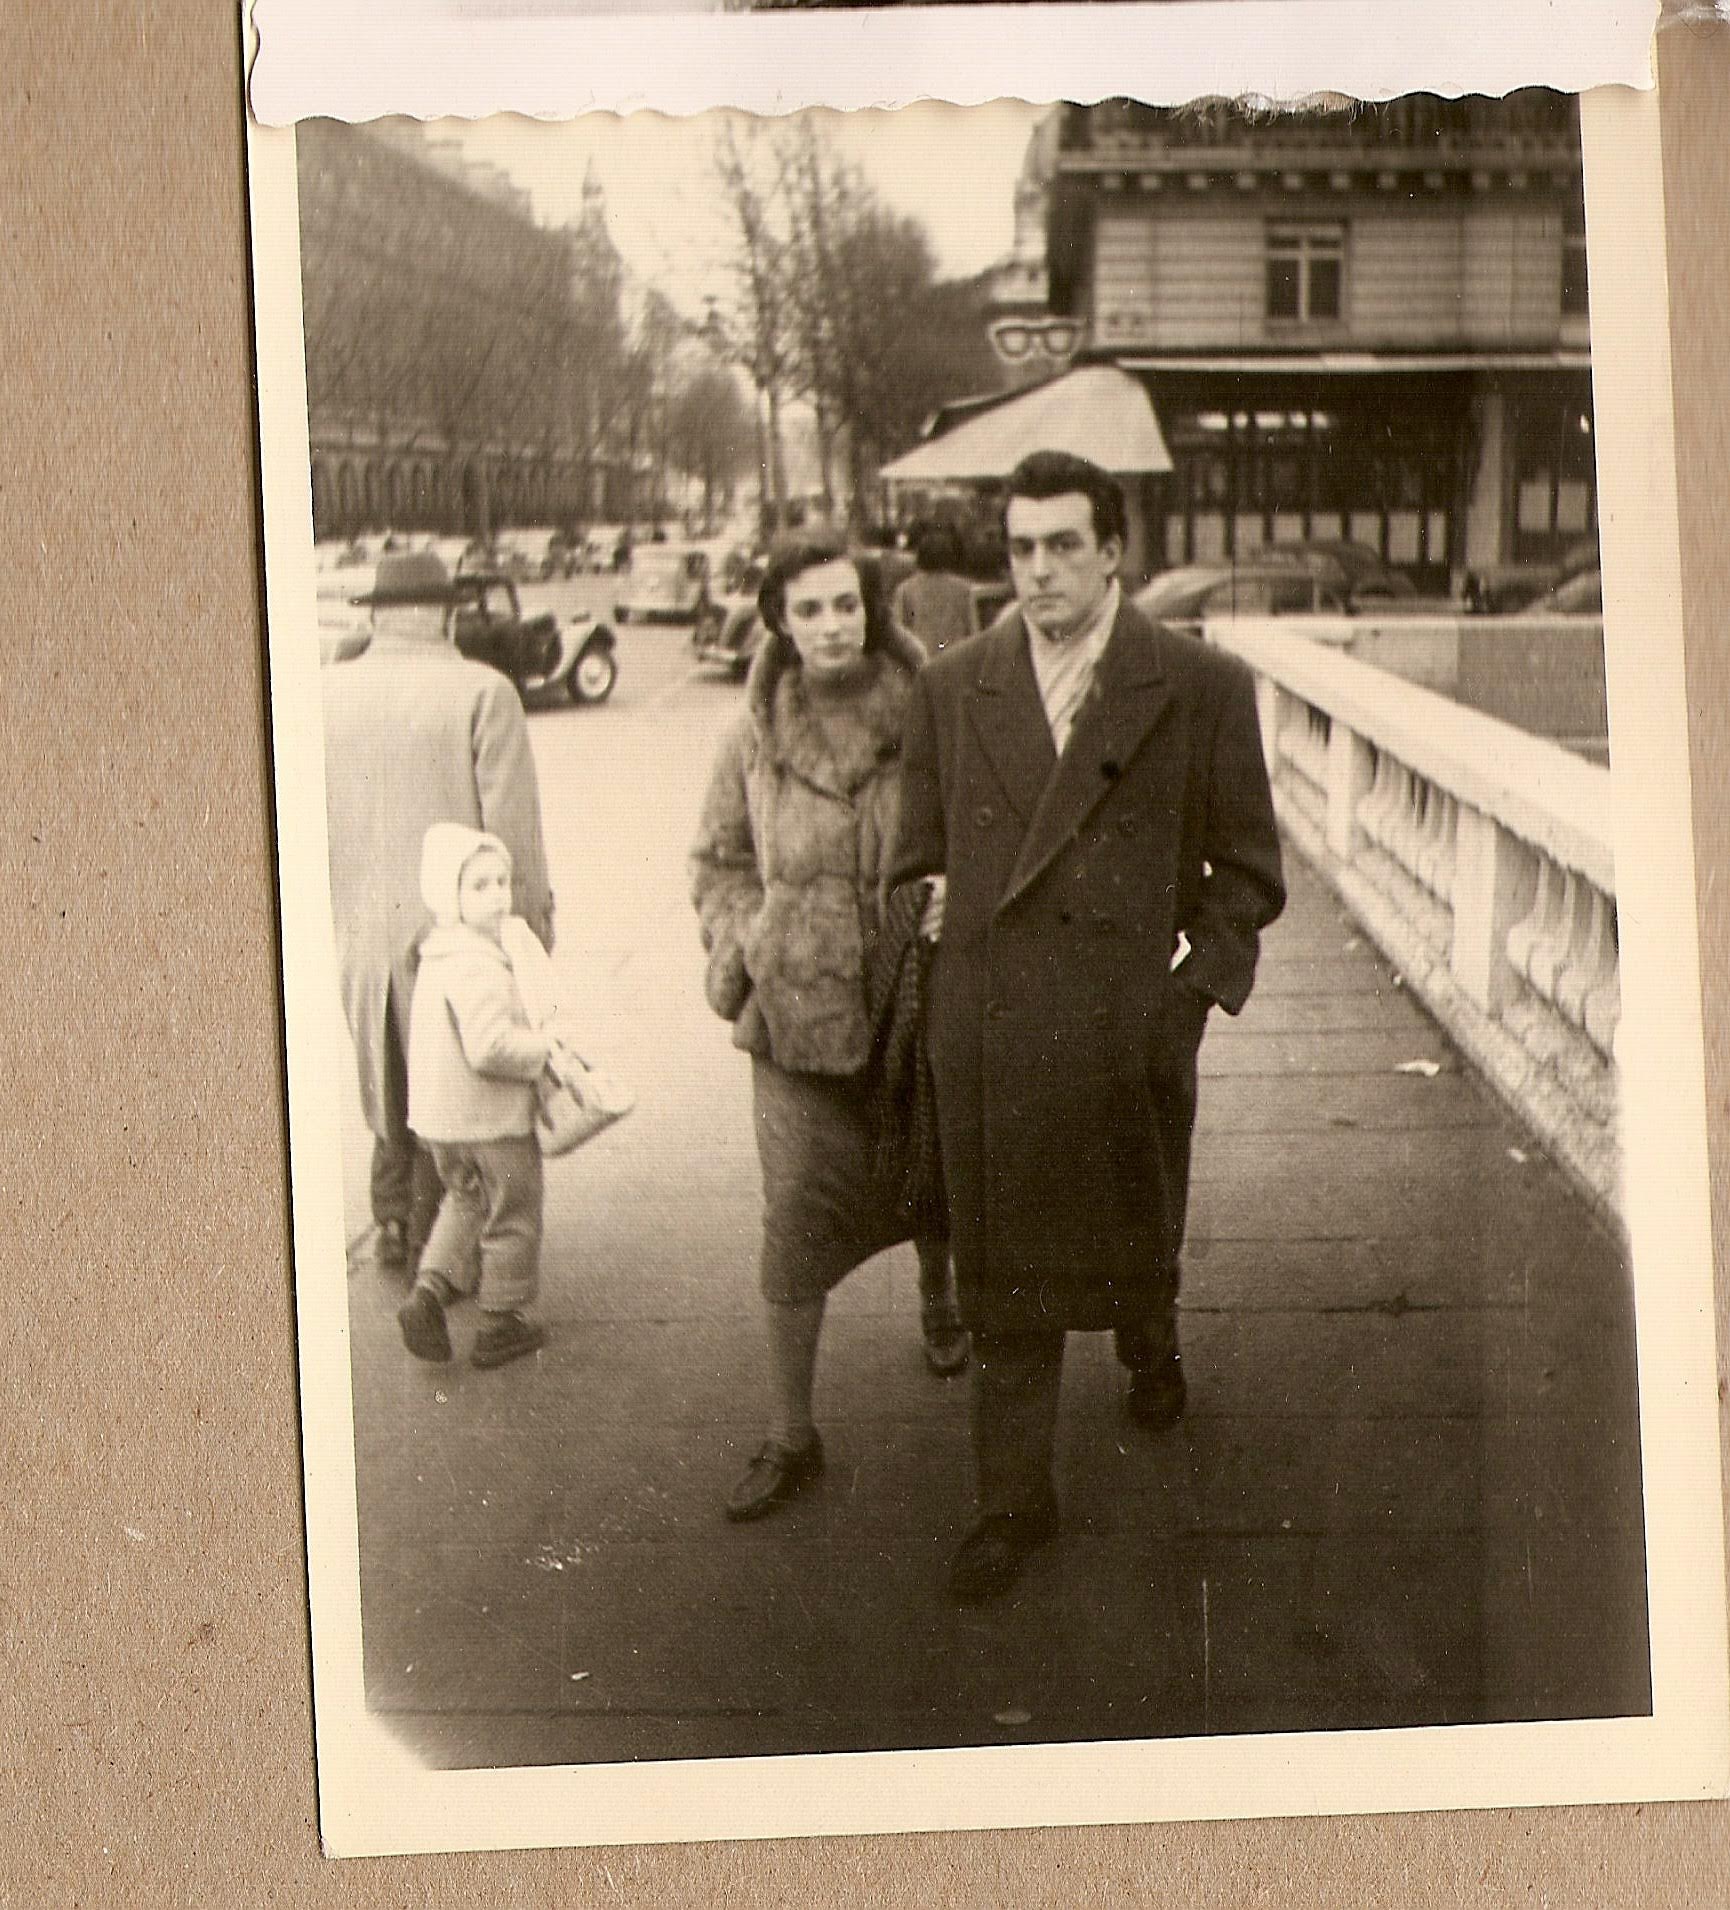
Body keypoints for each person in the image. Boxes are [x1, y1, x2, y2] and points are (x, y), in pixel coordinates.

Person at [887, 450, 1286, 1604]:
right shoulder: (949, 686)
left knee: (1133, 1226)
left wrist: (1184, 995)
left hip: (1124, 1026)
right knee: (1006, 1278)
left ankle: (1150, 1343)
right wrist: (921, 902)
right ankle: (1010, 1503)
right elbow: (909, 861)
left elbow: (1246, 872)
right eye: (1020, 547)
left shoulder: (1197, 686)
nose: (1039, 569)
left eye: (1063, 544)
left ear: (1112, 550)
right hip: (995, 1030)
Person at [689, 540, 951, 1521]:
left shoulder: (934, 712)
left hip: (915, 999)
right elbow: (716, 858)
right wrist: (751, 939)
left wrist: (951, 897)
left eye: (846, 604)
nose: (833, 624)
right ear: (780, 621)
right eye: (810, 609)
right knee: (796, 1213)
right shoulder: (750, 734)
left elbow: (977, 832)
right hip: (796, 1019)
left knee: (940, 1176)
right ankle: (790, 1432)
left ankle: (940, 1297)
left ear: (872, 610)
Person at [323, 547, 554, 1279]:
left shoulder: (323, 692)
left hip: (358, 931)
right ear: (446, 614)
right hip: (457, 937)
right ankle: (441, 1251)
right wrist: (530, 934)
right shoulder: (484, 691)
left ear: (378, 616)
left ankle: (393, 1220)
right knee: (456, 1089)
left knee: (386, 1072)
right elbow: (511, 834)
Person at [397, 824, 558, 1369]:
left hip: (443, 1123)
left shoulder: (438, 955)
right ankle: (500, 1323)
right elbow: (490, 1047)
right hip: (491, 1121)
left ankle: (427, 1294)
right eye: (479, 886)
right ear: (451, 896)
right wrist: (544, 1049)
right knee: (513, 1211)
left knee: (465, 1201)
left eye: (502, 882)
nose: (496, 896)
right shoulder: (478, 963)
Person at [892, 521, 978, 659]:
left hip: (922, 662)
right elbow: (973, 632)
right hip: (955, 661)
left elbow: (899, 635)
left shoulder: (905, 590)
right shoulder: (964, 589)